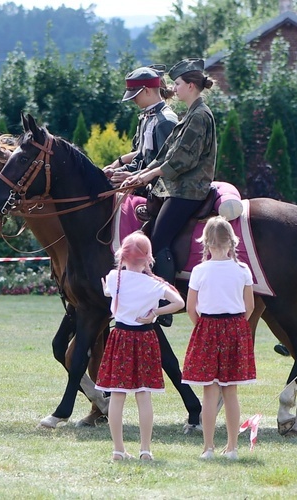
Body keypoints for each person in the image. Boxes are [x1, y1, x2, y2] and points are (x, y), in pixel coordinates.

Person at [122, 58, 217, 328]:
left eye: (176, 84)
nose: (172, 89)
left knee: (159, 239)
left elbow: (183, 159)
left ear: (190, 85)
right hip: (177, 188)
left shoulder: (200, 115)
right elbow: (166, 154)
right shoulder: (192, 113)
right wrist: (140, 173)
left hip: (189, 190)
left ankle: (164, 302)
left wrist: (151, 174)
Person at [95, 231, 185, 462]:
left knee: (117, 395)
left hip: (121, 338)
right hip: (145, 339)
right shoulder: (154, 284)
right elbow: (179, 302)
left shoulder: (115, 277)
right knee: (143, 396)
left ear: (122, 256)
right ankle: (145, 449)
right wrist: (156, 311)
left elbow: (111, 294)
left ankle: (118, 450)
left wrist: (108, 290)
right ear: (148, 259)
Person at [181, 216, 255, 461]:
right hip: (234, 326)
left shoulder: (200, 270)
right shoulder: (242, 269)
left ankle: (208, 448)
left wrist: (203, 328)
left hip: (208, 326)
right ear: (231, 242)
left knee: (209, 394)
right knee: (230, 392)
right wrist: (236, 328)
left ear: (207, 244)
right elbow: (250, 306)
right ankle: (232, 447)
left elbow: (191, 307)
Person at [103, 65, 178, 189]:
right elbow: (140, 158)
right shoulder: (147, 117)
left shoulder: (165, 121)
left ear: (147, 90)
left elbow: (166, 165)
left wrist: (133, 176)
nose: (132, 99)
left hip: (159, 190)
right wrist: (117, 172)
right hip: (142, 181)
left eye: (135, 94)